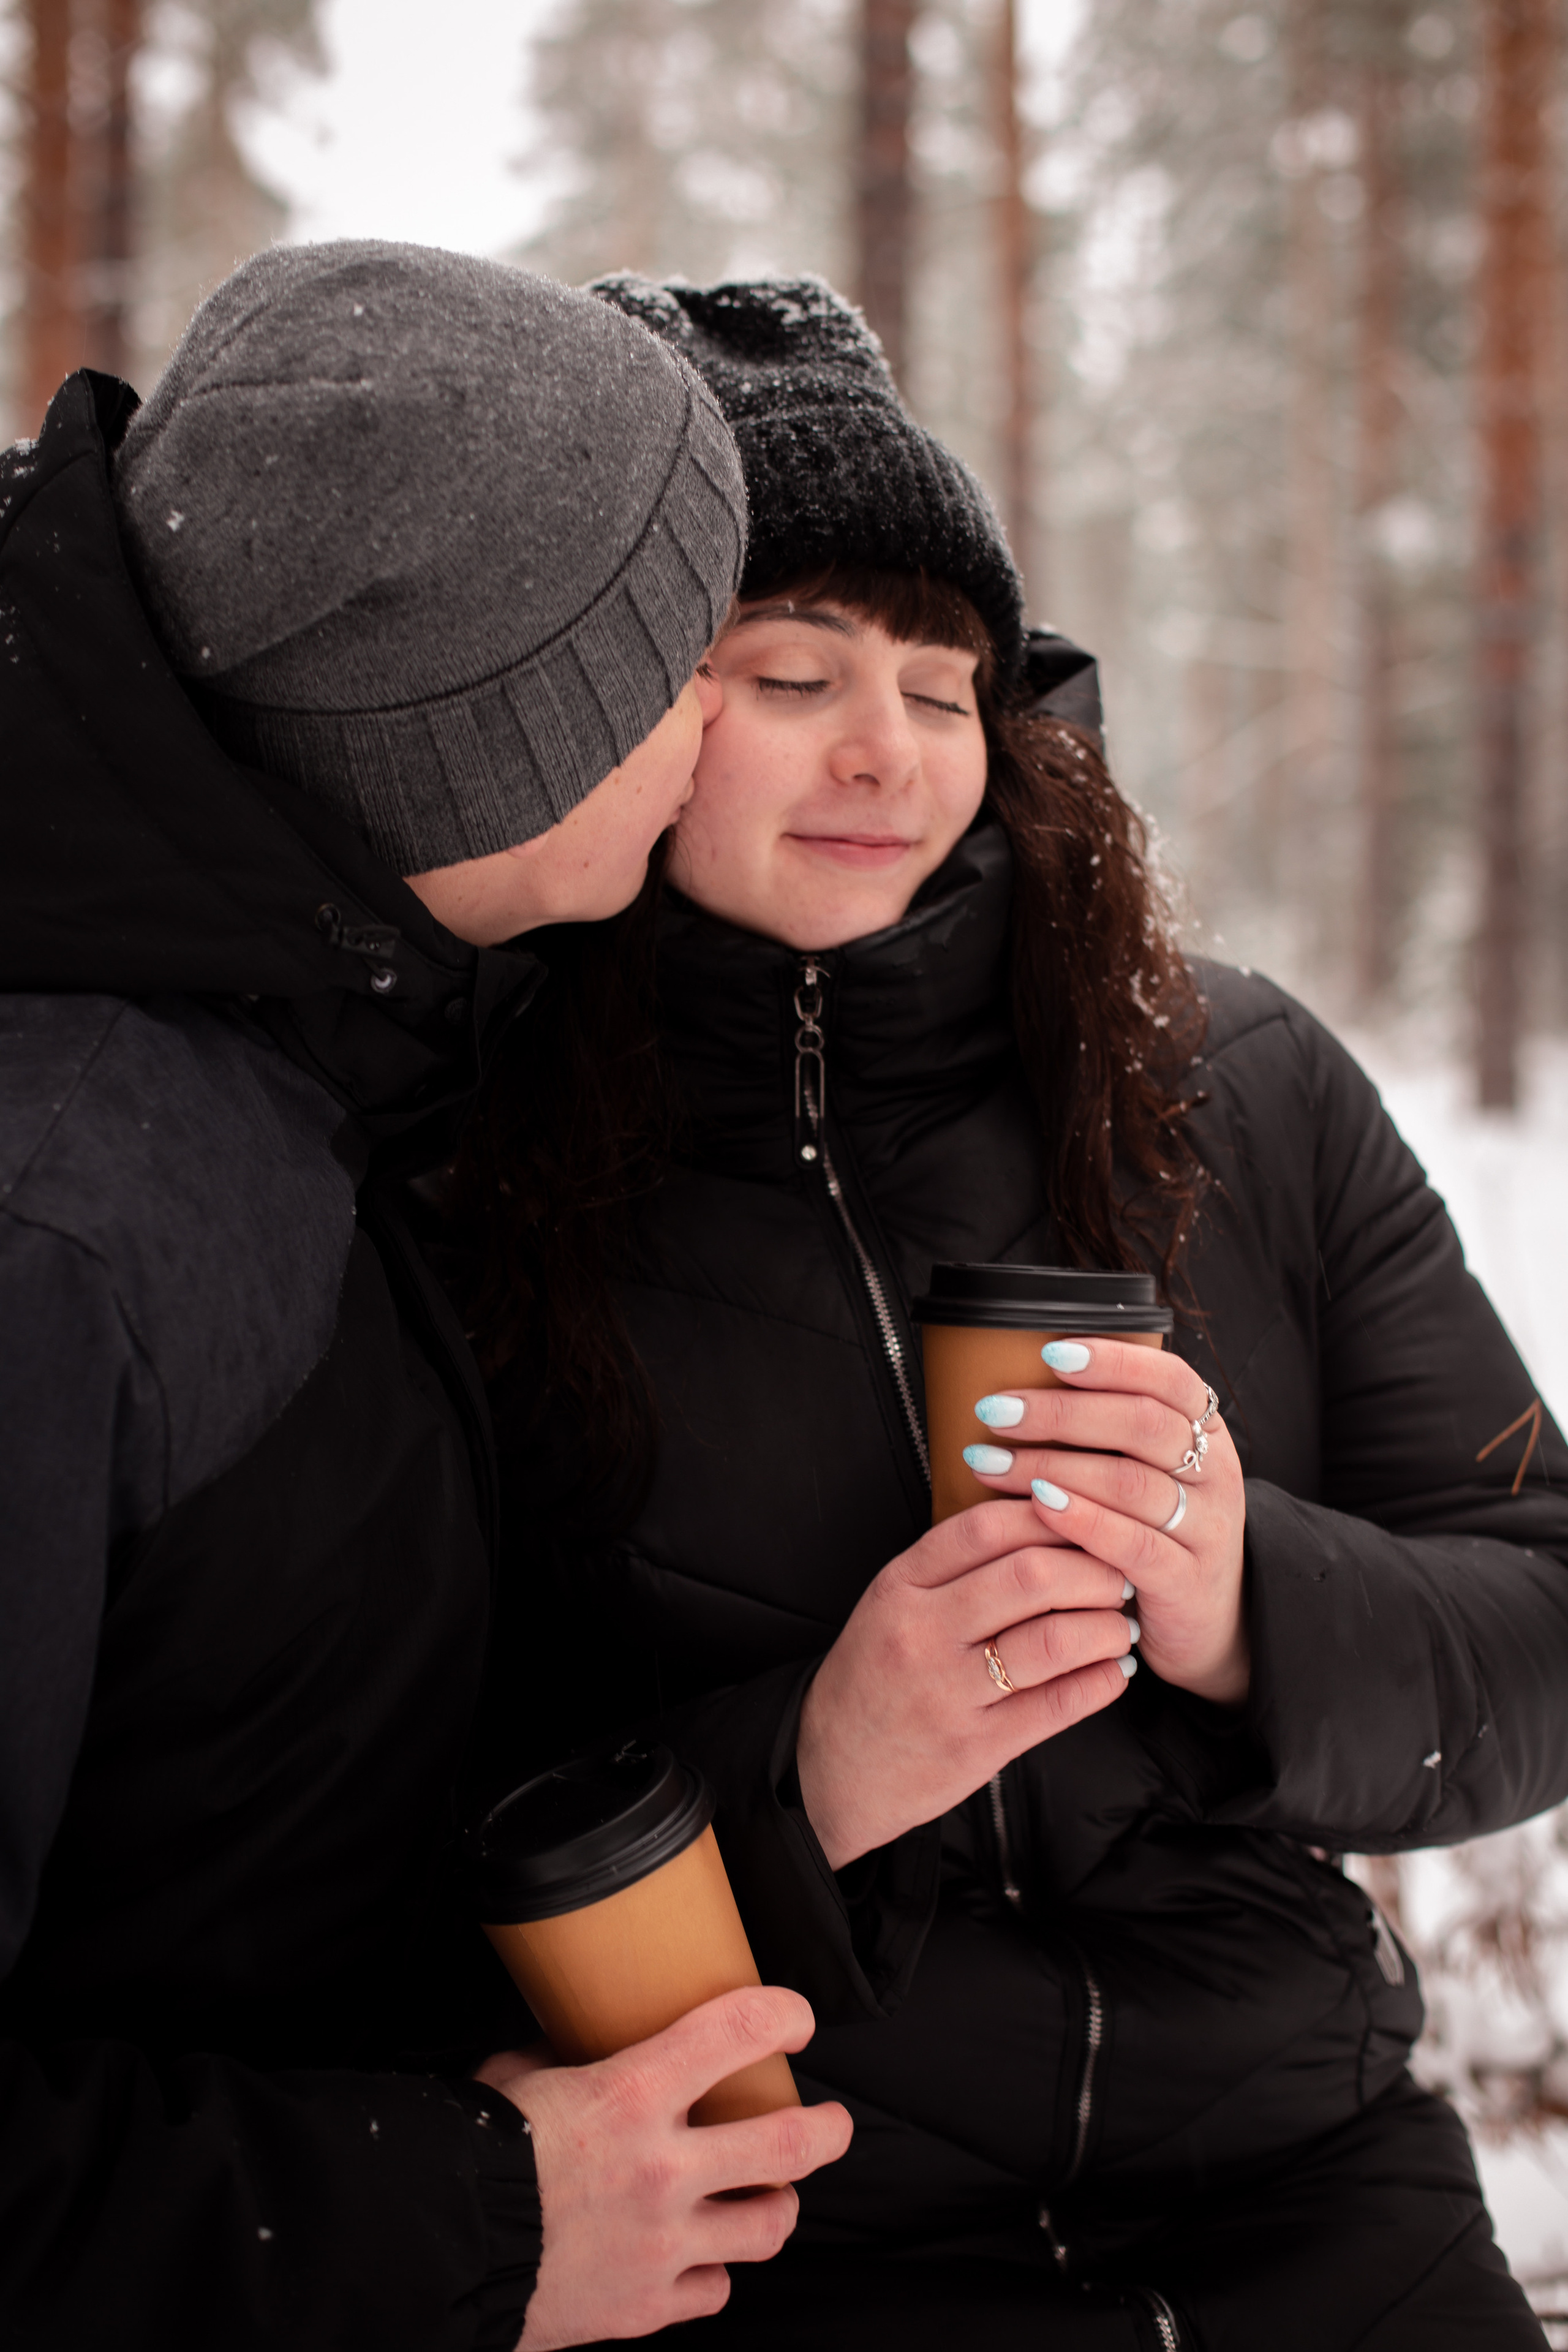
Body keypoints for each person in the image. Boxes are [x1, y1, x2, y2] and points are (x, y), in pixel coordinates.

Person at [453, 275, 1568, 2350]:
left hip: (1315, 2192)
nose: (887, 750)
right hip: (794, 2245)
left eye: (947, 687)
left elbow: (1544, 1619)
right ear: (631, 700)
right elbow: (358, 1848)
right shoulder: (461, 1173)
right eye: (789, 673)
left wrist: (1249, 1602)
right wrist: (815, 1772)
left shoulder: (1232, 1082)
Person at [0, 242, 851, 2352]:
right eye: (673, 667)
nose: (724, 722)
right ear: (477, 745)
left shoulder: (294, 1045)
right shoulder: (65, 1212)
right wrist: (464, 2222)